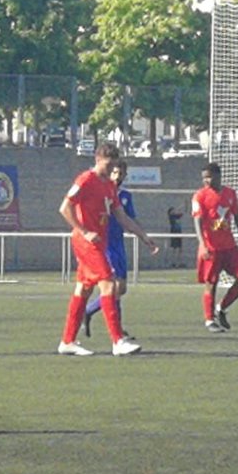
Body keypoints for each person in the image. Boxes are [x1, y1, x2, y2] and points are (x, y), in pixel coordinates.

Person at [58, 143, 160, 357]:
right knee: (109, 284)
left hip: (99, 243)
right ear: (97, 160)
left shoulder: (109, 186)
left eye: (114, 164)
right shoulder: (85, 179)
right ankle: (118, 341)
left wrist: (143, 236)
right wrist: (85, 231)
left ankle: (67, 341)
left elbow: (121, 216)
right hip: (86, 242)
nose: (111, 168)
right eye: (108, 164)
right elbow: (65, 208)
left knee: (83, 290)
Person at [82, 160, 143, 340]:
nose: (117, 177)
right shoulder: (101, 192)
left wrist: (143, 235)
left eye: (121, 173)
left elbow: (129, 218)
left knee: (121, 289)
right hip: (105, 244)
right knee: (114, 287)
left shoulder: (125, 196)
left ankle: (88, 311)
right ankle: (118, 331)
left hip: (118, 245)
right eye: (115, 172)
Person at [193, 162, 238, 333]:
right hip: (211, 247)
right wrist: (202, 244)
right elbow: (197, 221)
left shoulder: (230, 193)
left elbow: (237, 217)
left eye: (209, 177)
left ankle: (221, 308)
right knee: (211, 283)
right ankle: (209, 320)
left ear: (218, 176)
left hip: (230, 246)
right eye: (204, 178)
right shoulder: (200, 196)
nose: (206, 181)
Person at [167, 202, 185, 268]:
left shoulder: (176, 216)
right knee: (174, 248)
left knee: (180, 248)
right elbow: (177, 214)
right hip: (174, 233)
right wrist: (179, 209)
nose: (174, 212)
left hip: (179, 233)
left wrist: (182, 208)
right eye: (172, 211)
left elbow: (181, 214)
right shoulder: (171, 216)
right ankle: (173, 262)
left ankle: (179, 263)